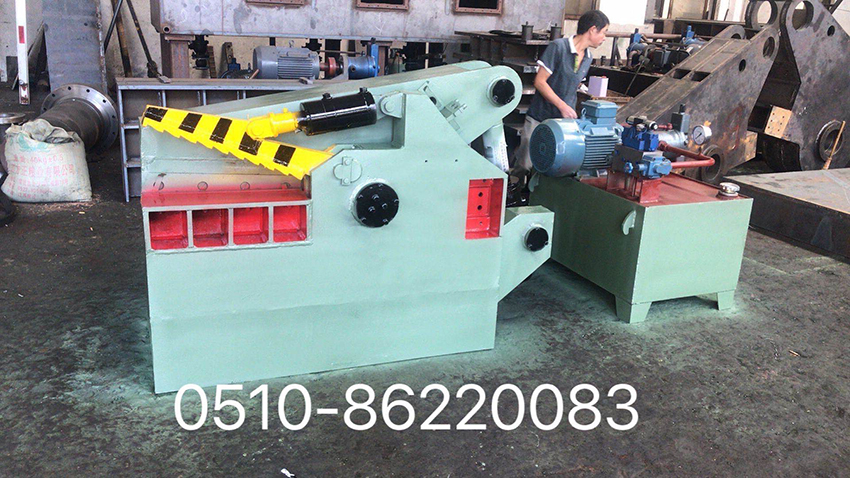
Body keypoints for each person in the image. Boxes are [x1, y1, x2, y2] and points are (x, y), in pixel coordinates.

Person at [511, 10, 610, 183]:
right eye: (604, 32)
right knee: (525, 165)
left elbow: (572, 84)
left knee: (554, 167)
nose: (604, 38)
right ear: (592, 30)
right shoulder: (558, 47)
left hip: (563, 125)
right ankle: (514, 192)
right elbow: (539, 81)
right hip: (540, 117)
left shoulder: (588, 57)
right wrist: (562, 105)